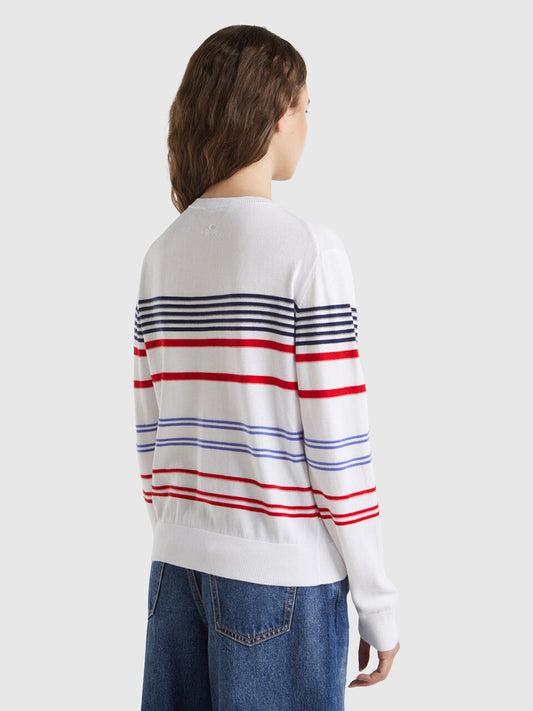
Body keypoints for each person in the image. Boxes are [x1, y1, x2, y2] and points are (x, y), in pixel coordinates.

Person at [133, 24, 400, 711]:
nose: (307, 123)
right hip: (280, 578)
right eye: (305, 106)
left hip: (175, 571)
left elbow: (150, 436)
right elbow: (338, 447)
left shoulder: (162, 254)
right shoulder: (308, 251)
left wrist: (188, 531)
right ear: (275, 113)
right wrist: (378, 605)